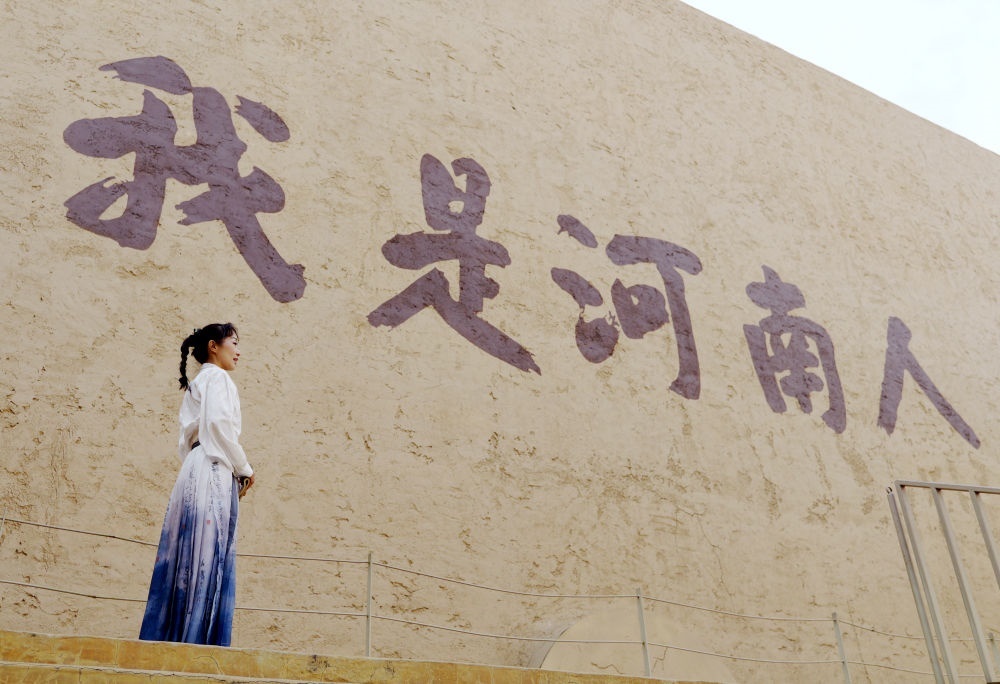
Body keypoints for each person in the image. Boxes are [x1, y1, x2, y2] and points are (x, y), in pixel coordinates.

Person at [139, 323, 255, 646]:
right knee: (207, 559)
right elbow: (218, 425)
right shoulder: (218, 378)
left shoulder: (198, 383)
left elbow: (187, 439)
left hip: (193, 467)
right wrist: (244, 468)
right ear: (213, 346)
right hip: (213, 467)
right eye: (234, 343)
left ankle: (170, 641)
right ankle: (198, 646)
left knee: (184, 559)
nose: (238, 351)